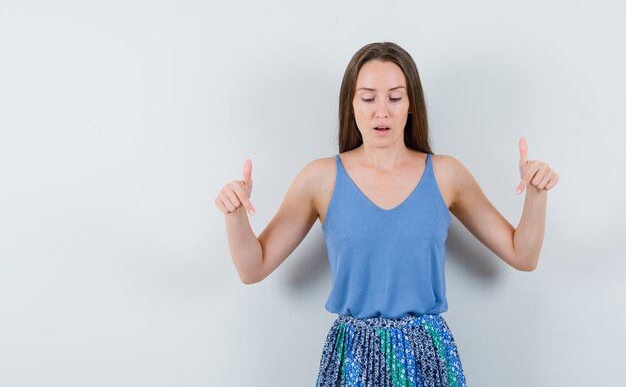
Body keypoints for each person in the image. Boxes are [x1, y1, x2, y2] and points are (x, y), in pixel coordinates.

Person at [214, 42, 559, 386]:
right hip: (351, 359)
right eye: (368, 98)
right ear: (351, 105)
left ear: (411, 106)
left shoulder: (445, 174)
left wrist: (536, 192)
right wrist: (235, 213)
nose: (382, 111)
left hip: (428, 356)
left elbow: (523, 254)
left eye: (395, 98)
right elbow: (252, 268)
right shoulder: (319, 179)